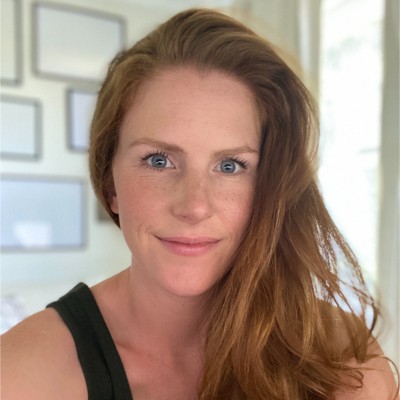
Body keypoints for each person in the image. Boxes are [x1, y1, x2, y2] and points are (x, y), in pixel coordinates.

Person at [1, 8, 398, 400]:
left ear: (272, 186)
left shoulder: (343, 364)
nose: (194, 206)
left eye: (230, 166)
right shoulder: (21, 376)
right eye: (159, 161)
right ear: (110, 184)